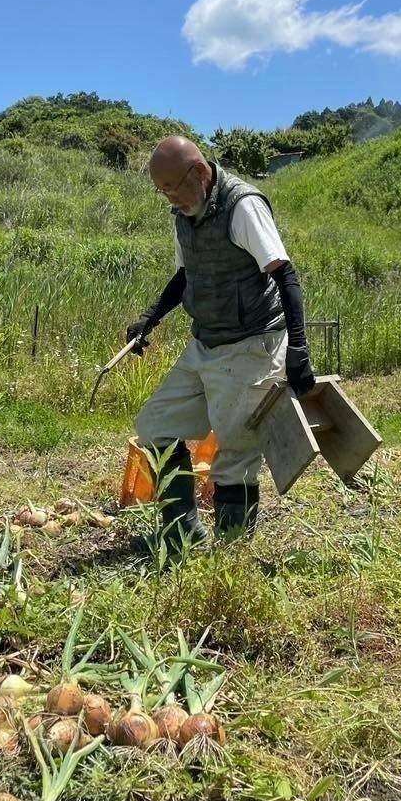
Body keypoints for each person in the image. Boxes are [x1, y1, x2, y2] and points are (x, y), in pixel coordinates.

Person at [128, 136, 316, 551]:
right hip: (205, 343)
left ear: (198, 171)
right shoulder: (185, 213)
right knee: (155, 425)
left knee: (235, 451)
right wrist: (150, 319)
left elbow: (285, 275)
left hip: (252, 344)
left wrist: (299, 348)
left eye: (173, 187)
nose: (170, 199)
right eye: (162, 192)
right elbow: (185, 277)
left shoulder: (243, 205)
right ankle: (181, 534)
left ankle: (231, 553)